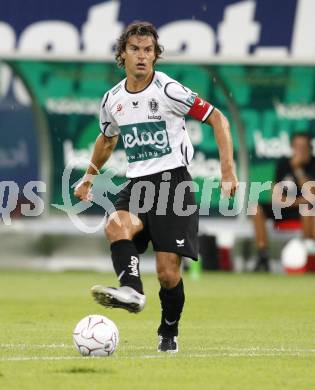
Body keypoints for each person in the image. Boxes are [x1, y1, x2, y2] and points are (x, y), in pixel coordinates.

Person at [74, 21, 238, 353]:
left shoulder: (168, 91)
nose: (142, 56)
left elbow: (218, 118)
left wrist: (228, 171)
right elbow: (107, 139)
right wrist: (89, 175)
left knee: (167, 273)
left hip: (173, 183)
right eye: (134, 49)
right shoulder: (113, 99)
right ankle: (132, 291)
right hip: (137, 183)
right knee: (115, 225)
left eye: (148, 50)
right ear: (122, 54)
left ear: (155, 55)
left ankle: (168, 331)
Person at [253, 132, 315, 271]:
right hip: (286, 208)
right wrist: (298, 201)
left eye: (304, 147)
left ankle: (306, 256)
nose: (300, 151)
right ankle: (263, 256)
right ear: (292, 148)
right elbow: (275, 196)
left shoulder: (312, 164)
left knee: (308, 208)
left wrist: (298, 169)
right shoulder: (283, 164)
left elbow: (311, 196)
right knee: (256, 209)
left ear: (309, 149)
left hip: (306, 210)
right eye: (297, 147)